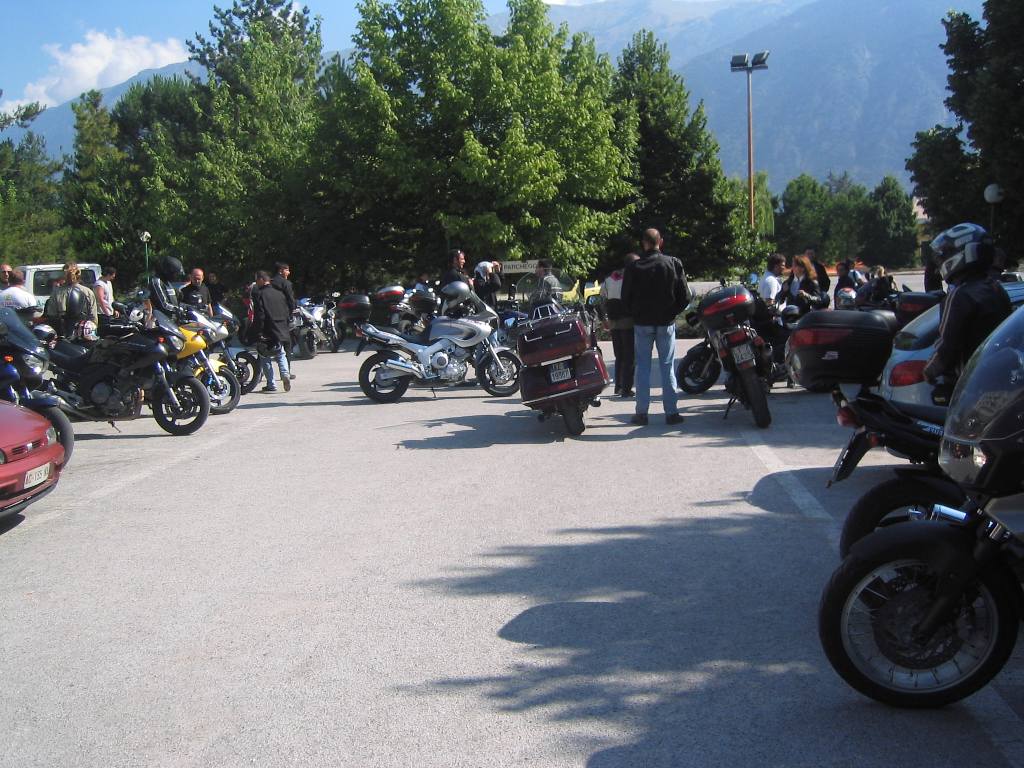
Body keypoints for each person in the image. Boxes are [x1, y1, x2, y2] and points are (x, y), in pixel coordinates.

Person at [923, 222, 1011, 384]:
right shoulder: (996, 288)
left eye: (947, 254)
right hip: (999, 377)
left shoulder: (960, 295)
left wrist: (928, 371)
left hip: (972, 382)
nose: (942, 259)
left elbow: (947, 347)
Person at [621, 228, 690, 426]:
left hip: (642, 323)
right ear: (661, 242)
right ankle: (672, 413)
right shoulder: (673, 263)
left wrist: (635, 313)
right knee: (667, 367)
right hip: (666, 322)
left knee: (642, 367)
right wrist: (673, 312)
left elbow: (625, 297)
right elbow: (685, 296)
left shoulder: (634, 267)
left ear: (644, 243)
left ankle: (642, 413)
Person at [600, 253, 640, 398]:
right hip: (628, 322)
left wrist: (604, 318)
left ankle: (618, 386)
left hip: (614, 323)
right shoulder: (631, 279)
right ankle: (626, 388)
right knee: (629, 357)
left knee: (619, 356)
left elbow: (602, 300)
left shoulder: (608, 280)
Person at [247, 270, 292, 393]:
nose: (256, 283)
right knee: (280, 353)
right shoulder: (279, 293)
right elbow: (287, 309)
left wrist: (256, 331)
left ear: (262, 280)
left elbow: (260, 314)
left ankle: (271, 384)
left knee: (264, 355)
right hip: (280, 327)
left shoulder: (260, 294)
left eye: (257, 280)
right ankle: (285, 374)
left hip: (267, 329)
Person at [44, 262, 99, 337]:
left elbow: (52, 315)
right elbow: (93, 317)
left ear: (64, 275)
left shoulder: (57, 292)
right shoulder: (88, 292)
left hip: (63, 333)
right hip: (84, 333)